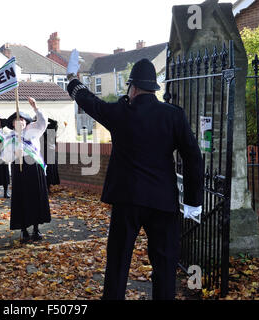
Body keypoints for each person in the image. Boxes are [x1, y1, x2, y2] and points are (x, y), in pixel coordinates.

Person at [65, 51, 204, 300]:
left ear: (133, 87)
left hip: (127, 199)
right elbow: (193, 158)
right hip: (162, 201)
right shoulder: (174, 115)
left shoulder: (120, 113)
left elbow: (89, 102)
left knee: (118, 262)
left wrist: (73, 80)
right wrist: (193, 201)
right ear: (153, 89)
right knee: (164, 264)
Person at [1, 97, 51, 243]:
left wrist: (36, 107)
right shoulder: (9, 137)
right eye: (17, 120)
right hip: (19, 169)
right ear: (12, 124)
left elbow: (43, 122)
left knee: (35, 198)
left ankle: (36, 228)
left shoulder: (33, 130)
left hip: (34, 169)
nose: (20, 122)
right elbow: (5, 157)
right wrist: (14, 152)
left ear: (26, 122)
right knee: (22, 199)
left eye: (22, 120)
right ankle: (23, 230)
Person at [42, 118, 61, 192]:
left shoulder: (51, 128)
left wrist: (45, 118)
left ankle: (48, 187)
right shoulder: (38, 129)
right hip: (42, 153)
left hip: (49, 153)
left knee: (50, 171)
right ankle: (45, 187)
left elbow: (55, 122)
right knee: (44, 171)